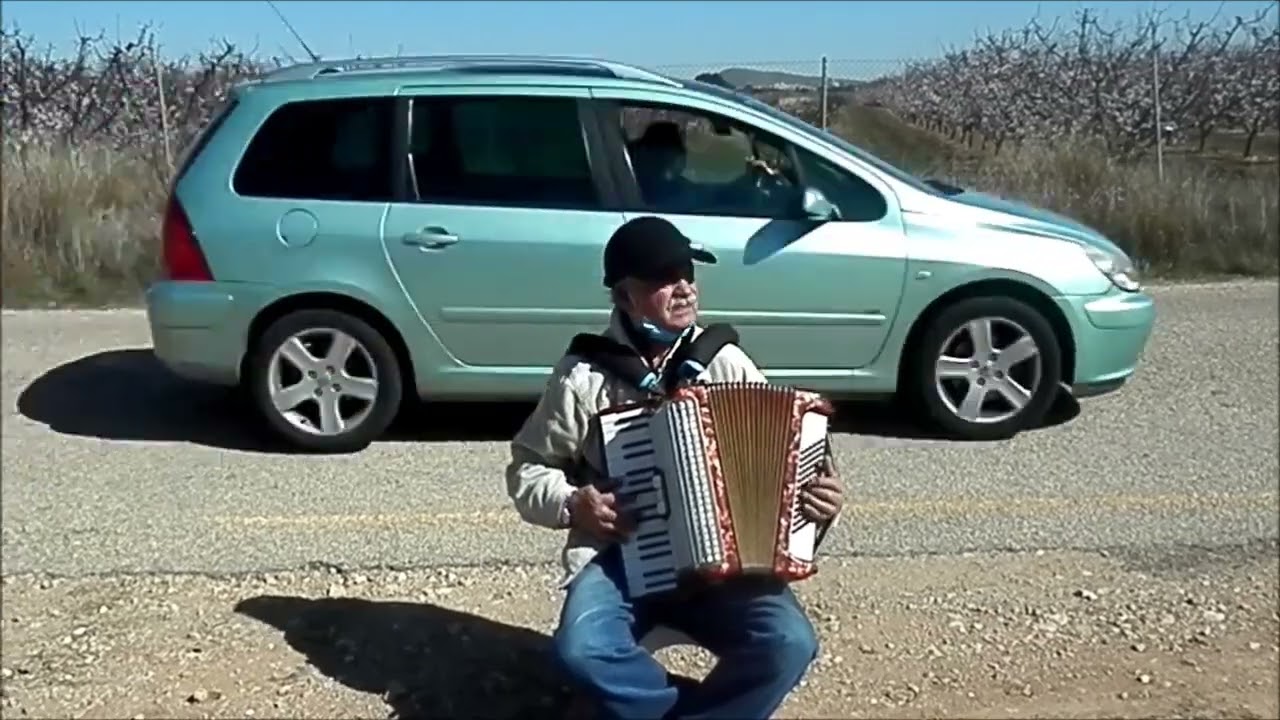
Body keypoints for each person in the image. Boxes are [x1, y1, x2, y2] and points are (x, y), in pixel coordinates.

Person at [504, 215, 845, 720]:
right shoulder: (583, 377)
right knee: (581, 651)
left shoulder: (726, 362)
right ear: (624, 297)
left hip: (723, 561)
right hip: (618, 556)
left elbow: (792, 460)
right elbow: (527, 469)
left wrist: (821, 500)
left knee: (788, 644)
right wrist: (575, 503)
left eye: (686, 273)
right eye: (663, 279)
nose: (683, 288)